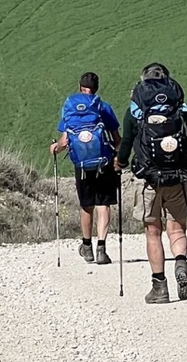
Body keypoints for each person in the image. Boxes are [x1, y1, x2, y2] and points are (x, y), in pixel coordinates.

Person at [115, 63, 187, 304]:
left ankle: (159, 288)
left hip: (150, 179)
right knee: (177, 229)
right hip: (177, 176)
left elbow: (127, 143)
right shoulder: (178, 107)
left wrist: (120, 164)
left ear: (142, 81)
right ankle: (181, 263)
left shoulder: (136, 109)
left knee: (153, 232)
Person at [50, 72, 121, 266]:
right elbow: (117, 139)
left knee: (86, 204)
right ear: (97, 88)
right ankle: (101, 248)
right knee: (103, 204)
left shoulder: (71, 108)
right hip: (104, 162)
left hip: (82, 165)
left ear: (79, 86)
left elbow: (64, 141)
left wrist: (55, 148)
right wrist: (118, 157)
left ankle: (86, 246)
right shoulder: (103, 107)